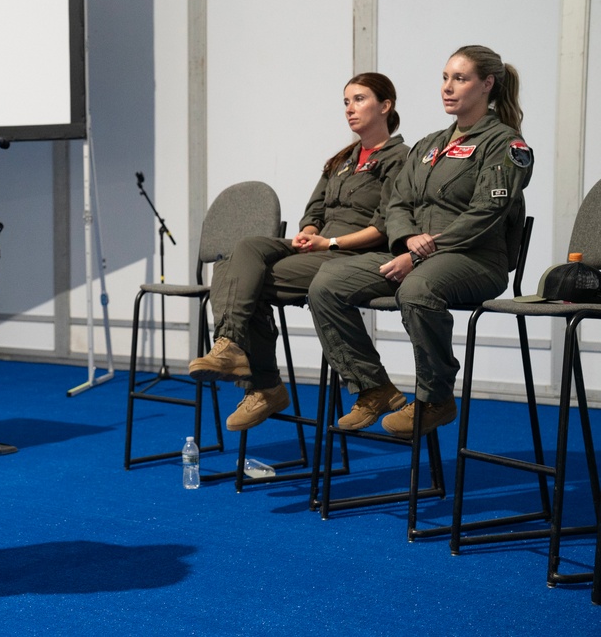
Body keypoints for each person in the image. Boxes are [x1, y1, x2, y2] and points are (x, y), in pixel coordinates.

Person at [308, 45, 533, 439]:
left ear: (487, 84)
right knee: (328, 283)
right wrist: (410, 241)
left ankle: (435, 398)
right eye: (445, 78)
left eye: (459, 79)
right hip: (416, 253)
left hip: (474, 258)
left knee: (416, 290)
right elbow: (397, 203)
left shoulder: (505, 144)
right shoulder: (430, 144)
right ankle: (373, 387)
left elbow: (486, 213)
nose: (447, 87)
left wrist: (423, 252)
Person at [188, 73, 409, 432]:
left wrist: (330, 243)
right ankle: (228, 345)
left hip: (352, 254)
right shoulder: (342, 159)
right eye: (346, 101)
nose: (350, 109)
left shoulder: (400, 159)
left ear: (385, 106)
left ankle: (264, 385)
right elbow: (314, 212)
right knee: (245, 250)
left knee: (249, 282)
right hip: (318, 247)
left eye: (359, 99)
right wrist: (309, 232)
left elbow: (384, 227)